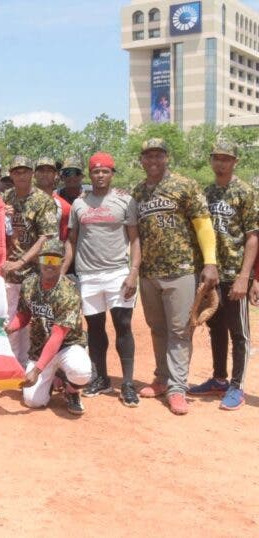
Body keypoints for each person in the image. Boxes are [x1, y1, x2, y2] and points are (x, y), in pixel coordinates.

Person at [132, 138, 219, 415]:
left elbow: (203, 224)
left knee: (180, 330)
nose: (153, 160)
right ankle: (161, 378)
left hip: (181, 269)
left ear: (167, 158)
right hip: (149, 272)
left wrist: (210, 262)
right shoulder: (138, 192)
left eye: (158, 155)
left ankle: (178, 387)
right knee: (157, 328)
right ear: (142, 160)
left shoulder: (185, 185)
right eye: (148, 155)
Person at [63, 152, 141, 407]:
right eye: (95, 171)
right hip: (88, 275)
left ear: (112, 173)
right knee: (95, 329)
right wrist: (63, 272)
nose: (100, 175)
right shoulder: (79, 204)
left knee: (123, 325)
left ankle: (128, 383)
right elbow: (71, 242)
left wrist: (133, 272)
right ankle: (102, 378)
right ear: (89, 175)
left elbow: (135, 239)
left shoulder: (125, 201)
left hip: (117, 273)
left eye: (105, 171)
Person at [188, 140, 258, 411]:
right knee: (215, 326)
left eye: (226, 158)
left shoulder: (245, 191)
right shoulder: (206, 192)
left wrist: (246, 277)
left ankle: (237, 386)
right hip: (212, 271)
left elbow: (253, 238)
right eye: (217, 158)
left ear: (235, 162)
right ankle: (219, 378)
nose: (221, 163)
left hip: (234, 273)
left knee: (239, 332)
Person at [6, 239, 91, 415]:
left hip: (67, 346)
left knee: (81, 372)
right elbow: (24, 315)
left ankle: (72, 389)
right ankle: (53, 378)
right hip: (39, 348)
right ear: (39, 261)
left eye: (54, 260)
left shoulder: (68, 291)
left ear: (61, 262)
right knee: (33, 402)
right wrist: (9, 328)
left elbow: (58, 335)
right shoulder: (29, 284)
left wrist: (37, 371)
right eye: (46, 260)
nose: (49, 265)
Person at [0, 156, 59, 366]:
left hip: (35, 273)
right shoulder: (5, 197)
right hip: (10, 273)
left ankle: (37, 366)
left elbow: (47, 238)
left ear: (32, 173)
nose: (21, 175)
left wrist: (22, 261)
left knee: (35, 322)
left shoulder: (44, 201)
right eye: (17, 171)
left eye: (25, 171)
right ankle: (15, 364)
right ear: (11, 174)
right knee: (11, 321)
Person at [34, 156, 71, 241]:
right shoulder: (23, 200)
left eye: (49, 171)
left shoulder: (65, 207)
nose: (45, 174)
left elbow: (65, 239)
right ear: (34, 174)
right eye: (41, 170)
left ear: (56, 175)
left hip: (51, 253)